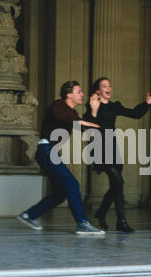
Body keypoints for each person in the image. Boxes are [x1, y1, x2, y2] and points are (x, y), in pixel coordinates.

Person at [17, 81, 105, 235]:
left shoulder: (71, 113)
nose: (82, 94)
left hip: (50, 152)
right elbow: (75, 122)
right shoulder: (57, 106)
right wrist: (87, 121)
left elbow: (87, 128)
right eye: (79, 91)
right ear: (69, 94)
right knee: (72, 184)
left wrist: (94, 110)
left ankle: (29, 215)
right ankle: (82, 223)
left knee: (61, 192)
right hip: (46, 150)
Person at [83, 77, 151, 232]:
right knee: (119, 183)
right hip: (98, 147)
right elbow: (88, 126)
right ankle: (121, 221)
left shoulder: (114, 106)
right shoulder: (92, 104)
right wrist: (94, 109)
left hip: (112, 147)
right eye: (104, 86)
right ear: (98, 90)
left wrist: (147, 103)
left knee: (116, 184)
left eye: (109, 85)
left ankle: (102, 212)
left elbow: (135, 114)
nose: (108, 88)